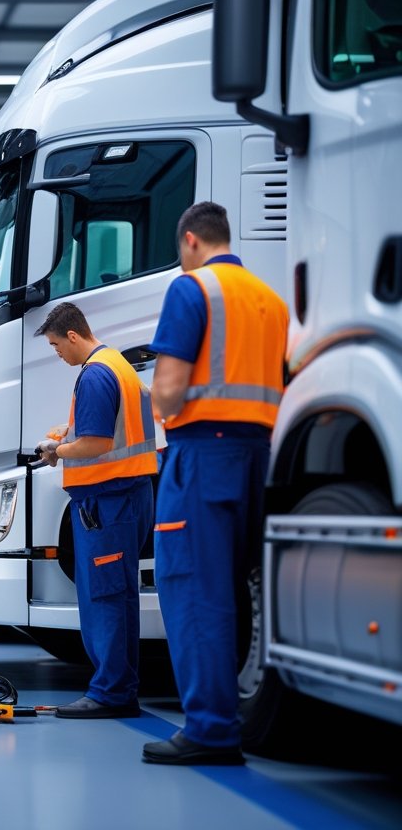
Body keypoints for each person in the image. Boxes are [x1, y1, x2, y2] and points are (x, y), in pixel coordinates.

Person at [142, 202, 288, 764]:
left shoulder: (192, 289)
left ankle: (210, 730)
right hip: (258, 456)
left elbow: (169, 390)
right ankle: (227, 719)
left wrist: (157, 400)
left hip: (203, 454)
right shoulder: (271, 300)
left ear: (190, 241)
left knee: (194, 588)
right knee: (231, 588)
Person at [34, 303, 157, 719]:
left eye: (56, 346)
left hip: (107, 500)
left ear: (73, 336)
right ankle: (119, 688)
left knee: (104, 595)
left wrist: (57, 450)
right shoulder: (120, 366)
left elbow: (97, 444)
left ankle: (110, 692)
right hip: (129, 494)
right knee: (119, 595)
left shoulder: (95, 374)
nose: (57, 355)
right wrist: (70, 433)